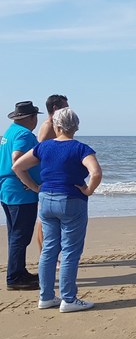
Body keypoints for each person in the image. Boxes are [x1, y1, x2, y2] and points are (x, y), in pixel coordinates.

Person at [12, 108, 102, 312]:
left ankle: (46, 296)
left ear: (57, 126)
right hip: (71, 201)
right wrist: (88, 190)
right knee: (70, 250)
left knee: (50, 249)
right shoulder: (81, 148)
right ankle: (68, 299)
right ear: (75, 127)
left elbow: (18, 166)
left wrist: (35, 187)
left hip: (46, 200)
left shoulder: (44, 147)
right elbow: (95, 172)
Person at [1, 101, 43, 290]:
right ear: (31, 118)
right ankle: (15, 277)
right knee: (20, 235)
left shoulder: (9, 132)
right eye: (35, 117)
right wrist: (32, 185)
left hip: (8, 189)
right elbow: (16, 159)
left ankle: (18, 271)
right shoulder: (24, 134)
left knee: (15, 233)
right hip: (20, 192)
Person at [35, 94, 69, 251]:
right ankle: (46, 253)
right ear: (55, 108)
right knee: (44, 219)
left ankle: (51, 253)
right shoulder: (49, 126)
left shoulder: (56, 126)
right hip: (47, 179)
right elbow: (39, 153)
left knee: (49, 219)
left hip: (54, 179)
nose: (68, 110)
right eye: (65, 107)